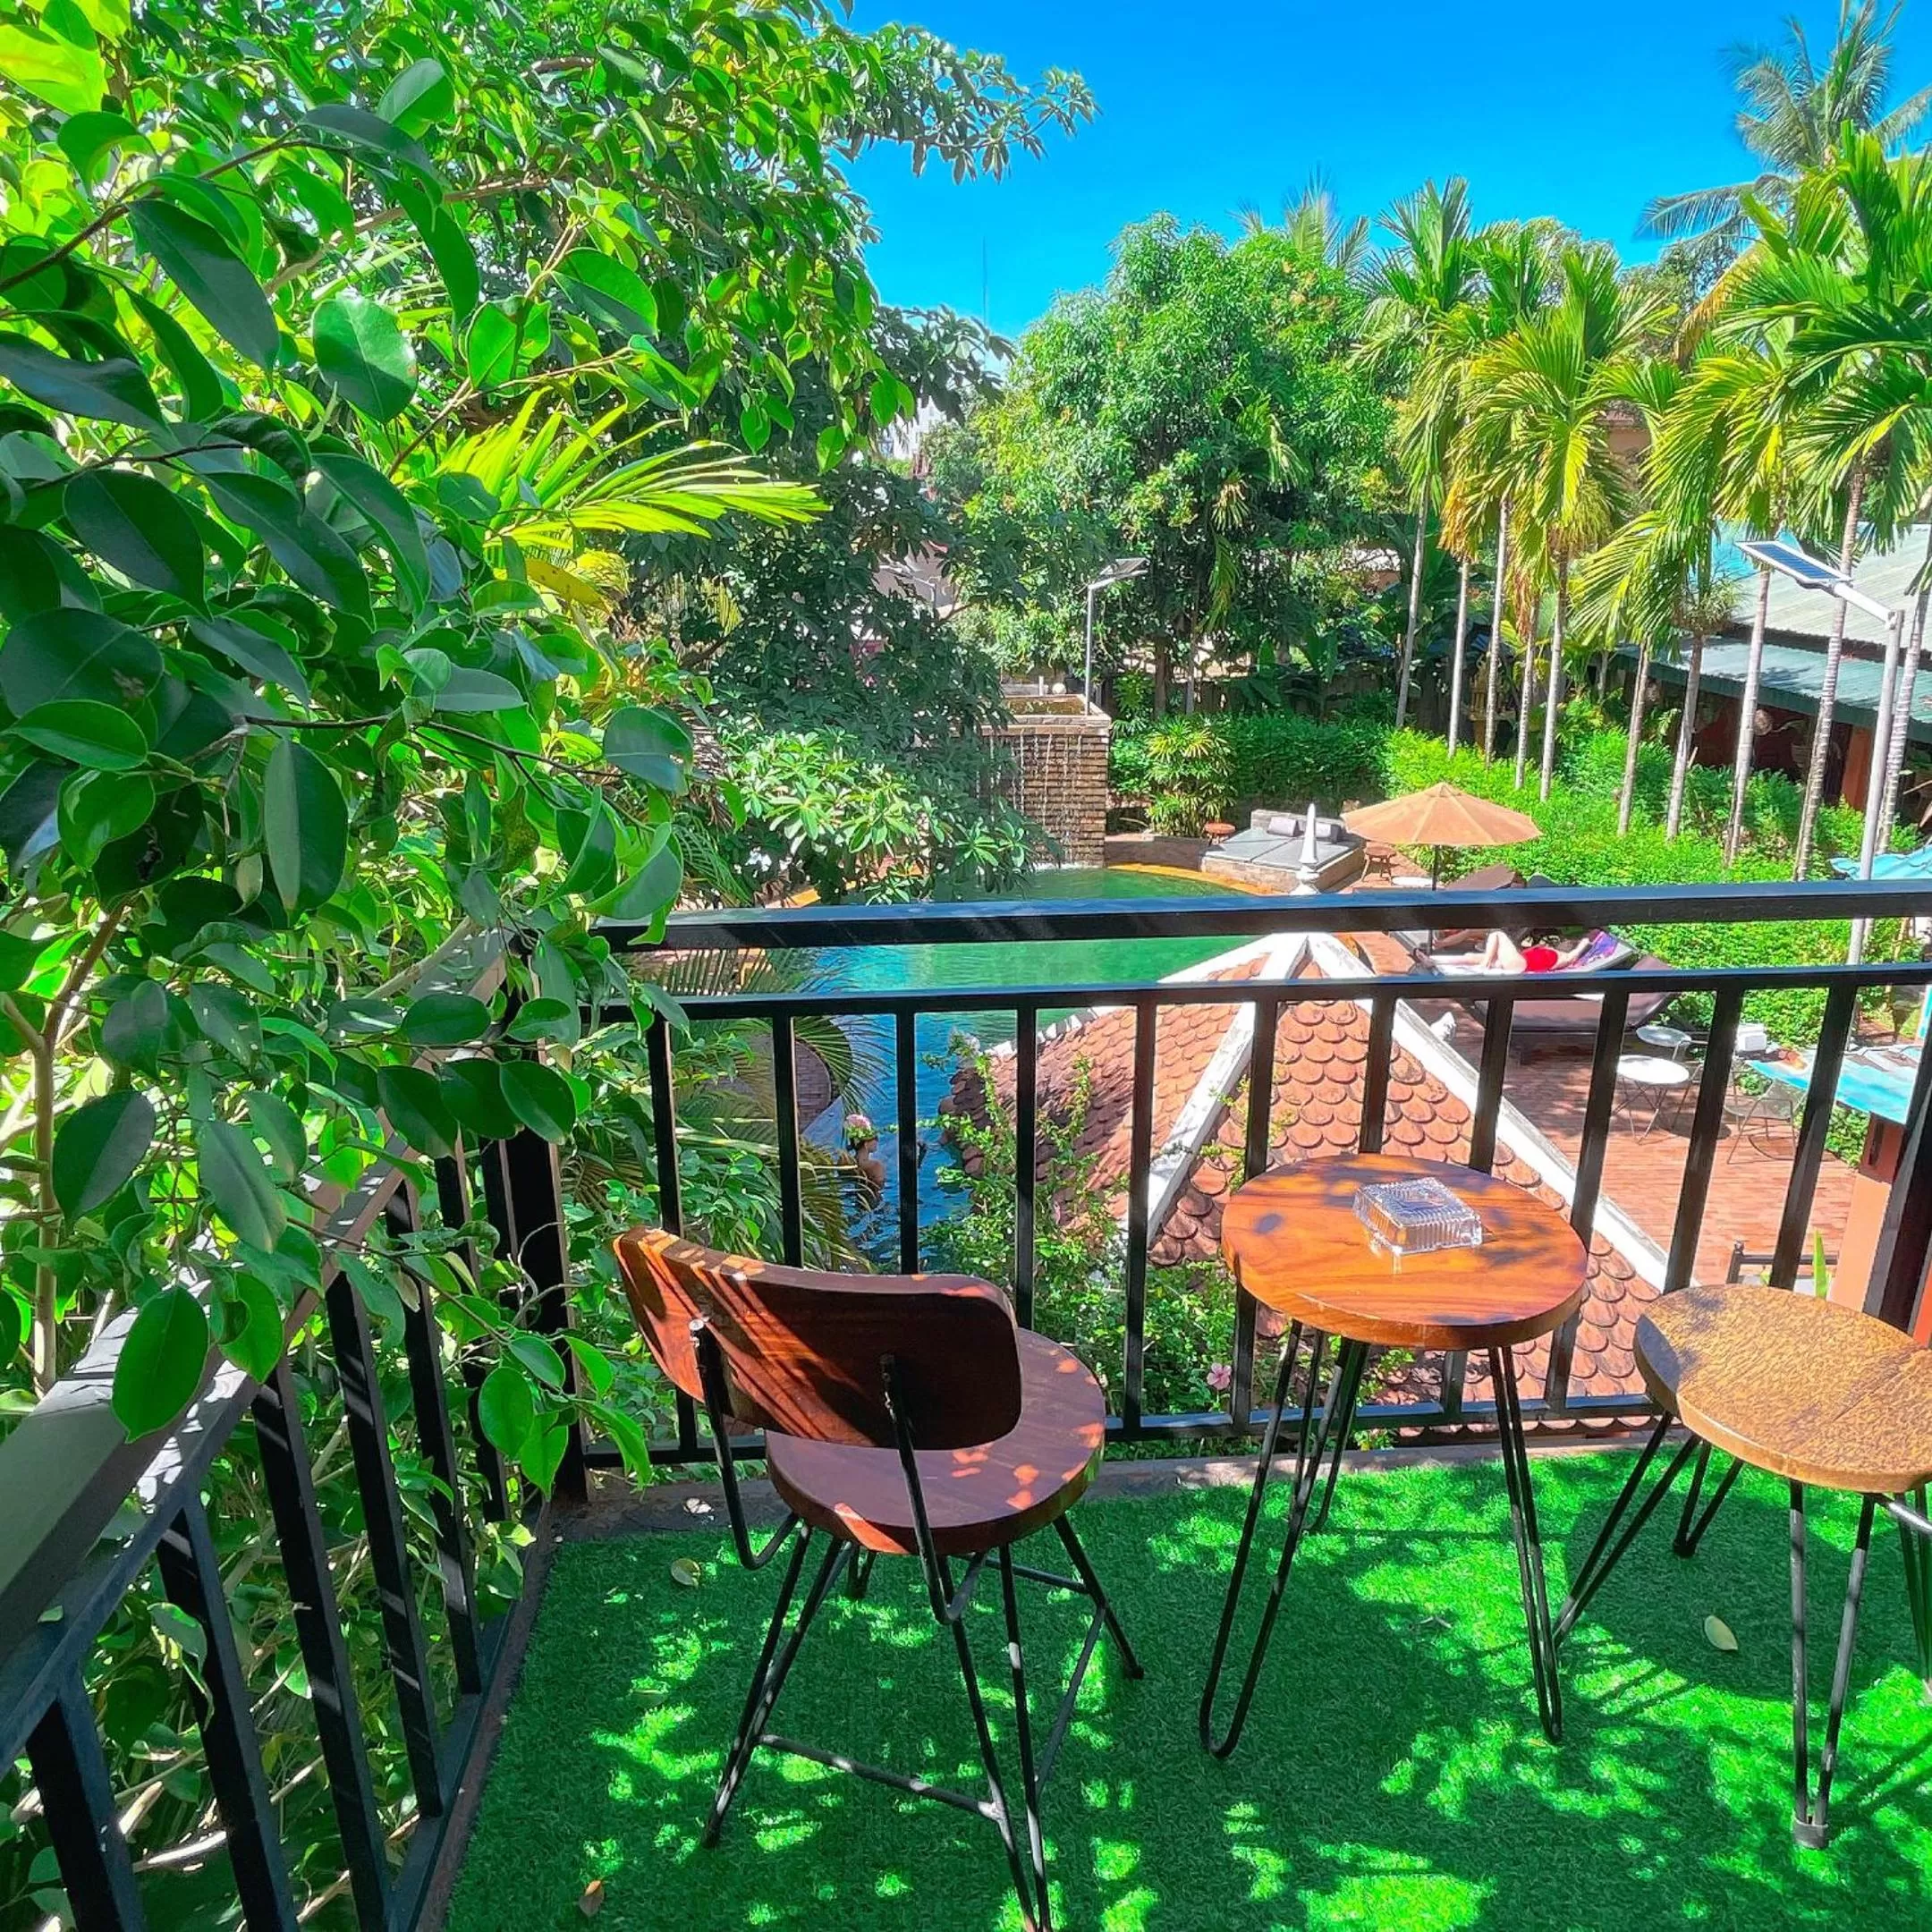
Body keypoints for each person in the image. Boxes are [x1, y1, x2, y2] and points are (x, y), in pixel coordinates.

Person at [1441, 930, 1593, 975]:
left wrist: (1584, 944)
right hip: (1516, 963)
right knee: (1471, 957)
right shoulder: (1547, 950)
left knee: (1497, 934)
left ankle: (1485, 965)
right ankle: (1435, 961)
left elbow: (1574, 955)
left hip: (1521, 964)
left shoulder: (1564, 957)